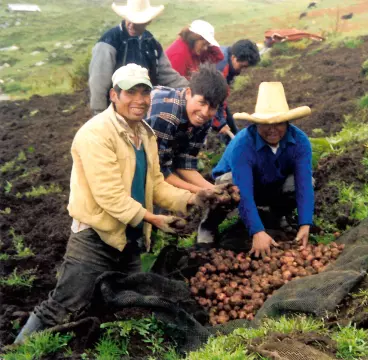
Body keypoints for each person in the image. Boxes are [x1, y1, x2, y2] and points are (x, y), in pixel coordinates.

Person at [14, 64, 230, 344]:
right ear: (114, 95)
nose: (139, 100)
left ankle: (115, 348)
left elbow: (155, 185)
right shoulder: (96, 134)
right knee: (62, 304)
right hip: (95, 238)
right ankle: (18, 350)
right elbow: (110, 197)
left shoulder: (145, 135)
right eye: (131, 92)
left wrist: (193, 197)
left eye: (144, 93)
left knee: (132, 304)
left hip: (130, 238)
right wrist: (155, 220)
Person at [204, 82, 315, 257]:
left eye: (278, 123)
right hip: (238, 184)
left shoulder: (300, 141)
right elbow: (244, 191)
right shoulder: (243, 144)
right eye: (265, 124)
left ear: (287, 122)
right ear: (255, 124)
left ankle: (277, 216)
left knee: (305, 181)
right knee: (229, 186)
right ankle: (208, 226)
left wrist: (305, 223)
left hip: (271, 183)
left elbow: (304, 185)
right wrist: (257, 231)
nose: (272, 130)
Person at [88, 0, 189, 114]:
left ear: (148, 22)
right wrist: (99, 113)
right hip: (116, 111)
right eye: (129, 20)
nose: (131, 25)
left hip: (145, 109)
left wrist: (192, 90)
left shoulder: (151, 43)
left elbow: (168, 75)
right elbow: (98, 83)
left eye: (137, 23)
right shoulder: (109, 42)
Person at [146, 66, 228, 195]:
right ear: (189, 93)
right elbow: (159, 172)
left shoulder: (203, 118)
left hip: (158, 160)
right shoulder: (166, 115)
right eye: (201, 103)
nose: (205, 112)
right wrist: (200, 191)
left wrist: (215, 190)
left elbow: (184, 162)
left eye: (212, 107)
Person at [215, 39, 261, 143]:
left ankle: (236, 141)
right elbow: (212, 99)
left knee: (230, 126)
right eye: (242, 66)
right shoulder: (221, 68)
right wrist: (220, 123)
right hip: (197, 96)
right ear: (234, 58)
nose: (242, 71)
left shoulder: (230, 54)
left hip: (213, 96)